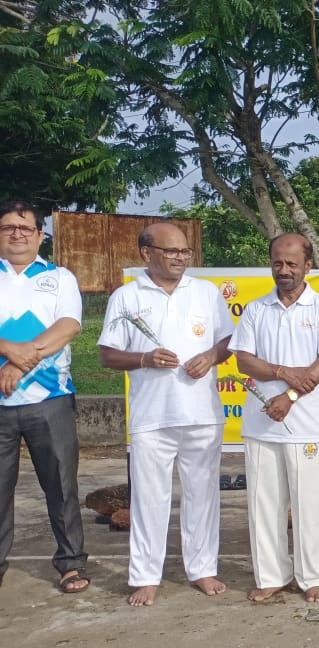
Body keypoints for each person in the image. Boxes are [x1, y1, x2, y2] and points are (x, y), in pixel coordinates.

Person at [97, 222, 234, 606]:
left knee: (202, 496)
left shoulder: (206, 293)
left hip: (202, 414)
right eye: (172, 251)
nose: (180, 258)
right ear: (146, 253)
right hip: (151, 417)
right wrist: (143, 358)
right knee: (149, 499)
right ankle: (145, 577)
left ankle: (203, 569)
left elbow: (228, 341)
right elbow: (107, 353)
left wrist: (210, 356)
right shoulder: (126, 296)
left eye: (185, 252)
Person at [229, 233, 319, 603]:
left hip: (305, 421)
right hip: (261, 421)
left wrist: (290, 395)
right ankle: (271, 575)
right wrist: (283, 371)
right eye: (277, 263)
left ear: (307, 265)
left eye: (292, 263)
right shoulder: (256, 309)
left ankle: (312, 576)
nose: (284, 270)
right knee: (264, 503)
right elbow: (244, 361)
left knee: (309, 503)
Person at [0, 200, 88, 594]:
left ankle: (70, 564)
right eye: (7, 227)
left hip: (50, 399)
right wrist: (7, 346)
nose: (16, 234)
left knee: (61, 486)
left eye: (25, 227)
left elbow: (68, 326)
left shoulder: (59, 277)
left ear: (40, 235)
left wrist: (19, 361)